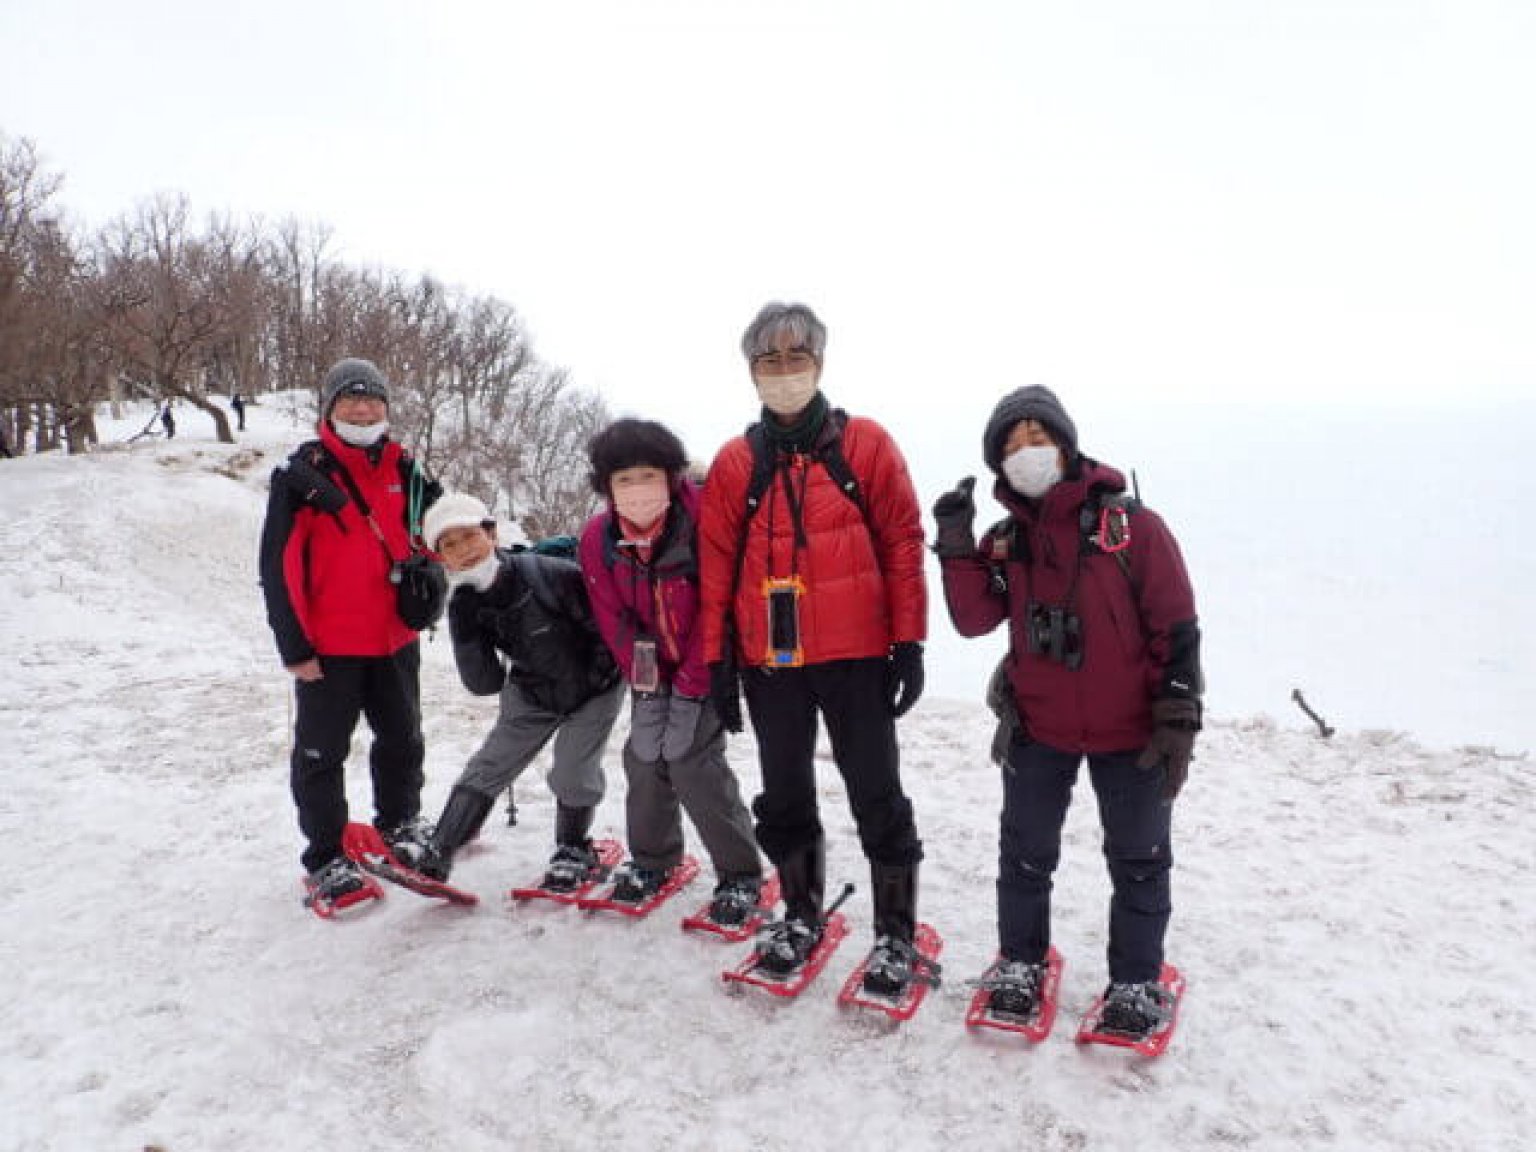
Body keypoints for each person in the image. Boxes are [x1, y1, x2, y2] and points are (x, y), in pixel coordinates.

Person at [931, 385, 1203, 1040]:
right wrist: (955, 544)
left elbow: (1176, 625)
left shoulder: (1132, 528)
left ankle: (1136, 980)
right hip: (1038, 728)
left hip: (1131, 733)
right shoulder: (1007, 539)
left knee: (1139, 859)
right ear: (998, 464)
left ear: (1065, 443)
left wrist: (1177, 719)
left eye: (1036, 437)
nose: (1026, 451)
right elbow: (973, 620)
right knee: (1023, 856)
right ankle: (1021, 963)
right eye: (1011, 444)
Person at [698, 301, 931, 994]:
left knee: (877, 794)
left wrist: (908, 643)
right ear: (751, 372)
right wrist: (719, 662)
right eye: (769, 362)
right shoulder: (737, 463)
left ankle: (895, 931)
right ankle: (800, 911)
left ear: (819, 364)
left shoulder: (866, 446)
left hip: (856, 656)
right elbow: (716, 568)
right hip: (773, 664)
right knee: (785, 793)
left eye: (795, 359)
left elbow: (902, 542)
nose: (783, 374)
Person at [258, 357, 442, 910]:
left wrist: (440, 566)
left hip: (395, 641)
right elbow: (279, 566)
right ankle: (326, 857)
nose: (363, 408)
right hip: (329, 649)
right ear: (330, 408)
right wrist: (294, 647)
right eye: (350, 399)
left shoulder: (405, 467)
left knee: (403, 740)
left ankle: (401, 823)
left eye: (372, 399)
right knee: (321, 753)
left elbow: (441, 526)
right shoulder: (303, 477)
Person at [579, 418, 764, 923]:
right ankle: (653, 859)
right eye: (624, 479)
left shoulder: (705, 521)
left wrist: (691, 679)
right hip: (649, 669)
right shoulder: (599, 538)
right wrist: (647, 675)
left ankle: (741, 873)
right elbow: (612, 616)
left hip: (707, 663)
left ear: (672, 477)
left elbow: (719, 603)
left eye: (648, 476)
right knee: (642, 757)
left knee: (689, 759)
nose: (637, 490)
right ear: (607, 487)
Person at [415, 493, 625, 891]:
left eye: (468, 536)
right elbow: (484, 683)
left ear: (491, 533)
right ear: (440, 557)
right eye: (449, 545)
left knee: (572, 770)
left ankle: (573, 849)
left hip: (595, 686)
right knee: (490, 763)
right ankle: (440, 850)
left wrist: (594, 678)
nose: (463, 550)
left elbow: (605, 630)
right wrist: (464, 626)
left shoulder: (548, 573)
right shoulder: (466, 603)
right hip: (532, 690)